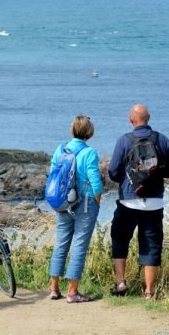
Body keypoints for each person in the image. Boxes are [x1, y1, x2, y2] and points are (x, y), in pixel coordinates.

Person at [108, 104, 169, 300]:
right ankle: (149, 292)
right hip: (154, 202)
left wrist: (131, 177)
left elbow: (113, 172)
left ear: (131, 120)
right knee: (151, 244)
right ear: (148, 118)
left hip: (129, 201)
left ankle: (121, 282)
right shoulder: (162, 139)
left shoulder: (124, 141)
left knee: (120, 239)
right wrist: (153, 174)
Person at [48, 115, 104, 303]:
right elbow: (96, 182)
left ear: (72, 130)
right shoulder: (89, 153)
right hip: (85, 203)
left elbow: (52, 176)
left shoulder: (60, 149)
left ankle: (54, 288)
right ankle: (72, 292)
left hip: (63, 203)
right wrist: (97, 201)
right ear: (89, 132)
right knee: (79, 245)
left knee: (61, 243)